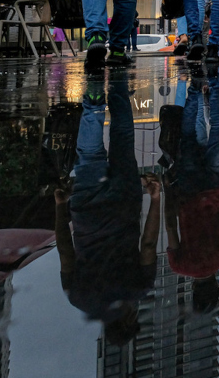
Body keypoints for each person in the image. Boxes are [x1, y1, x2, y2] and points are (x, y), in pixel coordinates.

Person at [56, 73, 159, 346]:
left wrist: (156, 200)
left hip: (124, 206)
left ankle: (118, 83)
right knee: (88, 154)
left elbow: (148, 244)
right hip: (86, 213)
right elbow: (66, 253)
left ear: (126, 321)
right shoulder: (78, 298)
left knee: (123, 137)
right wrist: (60, 207)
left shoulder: (137, 289)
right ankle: (93, 100)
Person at [160, 69, 219, 314]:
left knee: (216, 130)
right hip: (188, 191)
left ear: (216, 288)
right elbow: (171, 226)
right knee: (187, 136)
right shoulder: (180, 265)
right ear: (194, 291)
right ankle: (195, 88)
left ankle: (216, 83)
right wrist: (168, 190)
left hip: (216, 188)